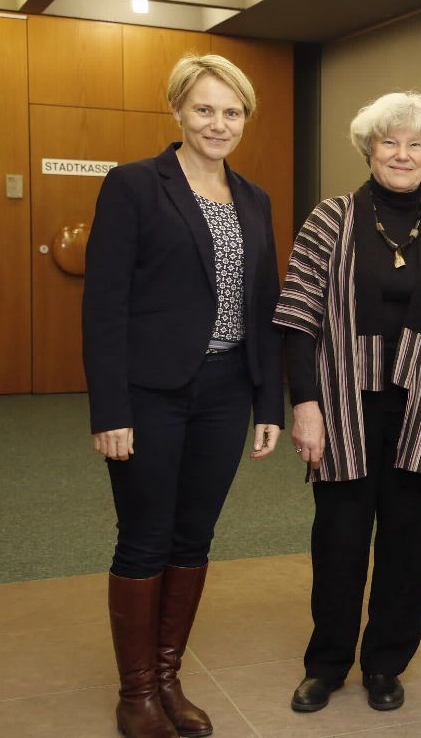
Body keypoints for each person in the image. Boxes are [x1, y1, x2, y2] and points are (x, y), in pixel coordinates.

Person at [274, 91, 421, 715]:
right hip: (344, 407)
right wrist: (306, 404)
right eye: (389, 142)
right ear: (369, 149)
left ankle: (386, 663)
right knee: (339, 540)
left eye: (415, 144)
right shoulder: (330, 219)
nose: (402, 153)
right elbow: (296, 320)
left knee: (411, 542)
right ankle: (326, 664)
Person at [83, 53, 284, 738]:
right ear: (178, 109)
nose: (217, 123)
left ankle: (169, 679)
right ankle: (136, 692)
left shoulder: (254, 198)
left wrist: (269, 402)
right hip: (149, 393)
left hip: (227, 390)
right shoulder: (135, 185)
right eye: (204, 108)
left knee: (194, 537)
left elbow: (264, 307)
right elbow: (104, 306)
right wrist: (109, 409)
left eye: (231, 111)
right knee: (145, 538)